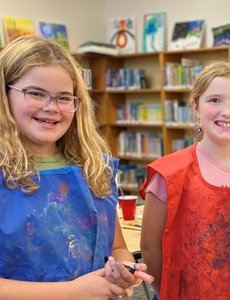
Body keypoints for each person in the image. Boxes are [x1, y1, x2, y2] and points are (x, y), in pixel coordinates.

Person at [0, 36, 146, 299]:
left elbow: (116, 249)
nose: (51, 107)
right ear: (4, 94)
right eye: (35, 93)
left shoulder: (92, 168)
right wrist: (71, 292)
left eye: (64, 98)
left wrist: (122, 270)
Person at [139, 62, 230, 299]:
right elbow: (149, 248)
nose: (227, 111)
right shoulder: (170, 173)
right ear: (196, 107)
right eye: (215, 100)